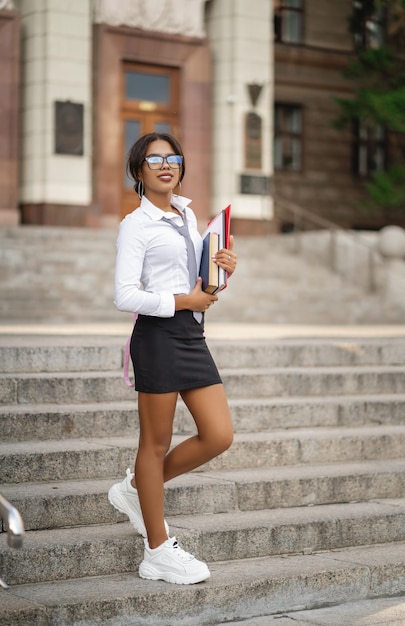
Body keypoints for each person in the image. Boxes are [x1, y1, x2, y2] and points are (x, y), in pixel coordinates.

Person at [109, 132, 237, 585]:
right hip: (159, 337)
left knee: (219, 434)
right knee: (155, 444)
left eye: (173, 157)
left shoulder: (186, 215)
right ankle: (157, 550)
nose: (166, 164)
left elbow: (196, 284)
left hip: (191, 336)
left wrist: (220, 272)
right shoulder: (135, 224)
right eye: (154, 158)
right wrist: (186, 301)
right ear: (139, 170)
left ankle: (135, 489)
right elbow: (125, 295)